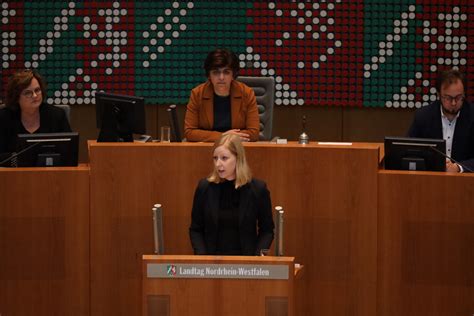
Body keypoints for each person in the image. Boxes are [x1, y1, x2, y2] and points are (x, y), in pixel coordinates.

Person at [189, 134, 274, 255]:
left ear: (238, 158)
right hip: (211, 263)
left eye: (224, 158)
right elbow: (196, 229)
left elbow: (267, 230)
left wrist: (257, 259)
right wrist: (203, 259)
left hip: (246, 263)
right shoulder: (204, 188)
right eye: (215, 158)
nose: (218, 164)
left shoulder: (258, 189)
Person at [184, 48, 260, 142]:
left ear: (233, 75)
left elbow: (254, 133)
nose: (221, 77)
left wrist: (227, 137)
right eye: (216, 72)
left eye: (226, 72)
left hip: (238, 149)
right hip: (207, 149)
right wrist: (223, 136)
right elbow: (190, 132)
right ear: (209, 75)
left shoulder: (247, 93)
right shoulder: (197, 94)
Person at [408, 69, 474, 172]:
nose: (453, 103)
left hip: (465, 182)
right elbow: (409, 151)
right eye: (448, 98)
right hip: (430, 180)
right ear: (439, 94)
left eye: (458, 97)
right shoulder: (423, 116)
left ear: (464, 94)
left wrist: (458, 167)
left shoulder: (472, 115)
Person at [0, 69, 71, 157]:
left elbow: (68, 153)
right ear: (16, 97)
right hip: (13, 170)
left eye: (37, 90)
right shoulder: (3, 118)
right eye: (28, 93)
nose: (35, 96)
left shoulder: (57, 115)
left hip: (50, 169)